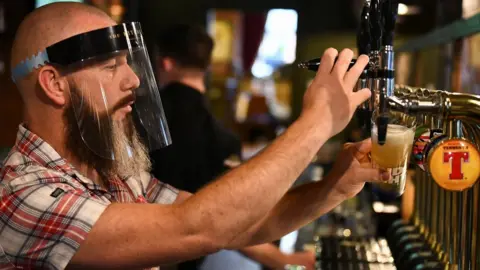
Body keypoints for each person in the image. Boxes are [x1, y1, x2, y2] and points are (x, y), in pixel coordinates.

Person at [0, 3, 388, 270]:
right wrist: (316, 123)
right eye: (110, 66)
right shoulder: (23, 194)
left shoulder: (112, 173)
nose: (133, 79)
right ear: (54, 84)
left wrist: (335, 187)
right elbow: (194, 228)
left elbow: (239, 223)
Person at [150, 24, 315, 270]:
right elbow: (225, 214)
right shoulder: (222, 138)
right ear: (206, 66)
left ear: (165, 63)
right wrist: (280, 259)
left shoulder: (147, 118)